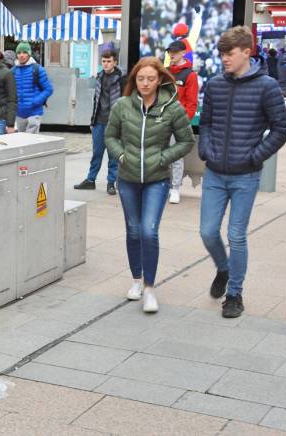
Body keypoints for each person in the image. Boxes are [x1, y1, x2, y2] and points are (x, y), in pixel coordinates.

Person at [199, 26, 286, 318]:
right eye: (222, 54)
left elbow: (280, 129)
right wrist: (205, 150)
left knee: (236, 235)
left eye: (230, 53)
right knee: (208, 232)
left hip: (245, 176)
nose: (224, 58)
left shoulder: (267, 86)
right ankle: (223, 269)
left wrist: (254, 157)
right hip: (214, 173)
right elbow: (207, 123)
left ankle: (234, 294)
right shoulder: (214, 85)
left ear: (247, 52)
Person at [105, 57, 194, 313]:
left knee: (148, 231)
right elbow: (110, 136)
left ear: (160, 80)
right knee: (133, 230)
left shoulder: (172, 108)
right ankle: (136, 280)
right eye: (141, 79)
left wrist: (163, 158)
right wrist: (121, 155)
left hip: (157, 179)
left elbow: (186, 142)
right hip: (128, 178)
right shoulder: (122, 106)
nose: (145, 83)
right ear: (134, 80)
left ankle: (150, 289)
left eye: (151, 79)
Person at [75, 50, 125, 195]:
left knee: (113, 155)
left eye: (109, 61)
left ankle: (111, 182)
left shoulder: (121, 79)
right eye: (103, 61)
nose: (106, 64)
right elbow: (96, 100)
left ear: (115, 62)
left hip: (114, 123)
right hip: (99, 122)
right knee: (97, 153)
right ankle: (91, 180)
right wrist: (92, 120)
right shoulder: (99, 76)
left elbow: (125, 101)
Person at [166, 40, 199, 204]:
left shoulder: (190, 75)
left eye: (175, 51)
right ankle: (163, 186)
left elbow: (192, 103)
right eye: (170, 51)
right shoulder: (164, 71)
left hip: (178, 123)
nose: (172, 54)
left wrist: (182, 122)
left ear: (183, 52)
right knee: (161, 156)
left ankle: (175, 188)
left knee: (176, 157)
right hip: (161, 122)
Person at [11, 41, 53, 134]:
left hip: (34, 112)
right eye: (19, 53)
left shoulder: (37, 69)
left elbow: (49, 89)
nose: (21, 55)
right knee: (21, 141)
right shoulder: (13, 71)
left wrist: (37, 101)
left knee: (31, 142)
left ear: (29, 54)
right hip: (19, 113)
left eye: (24, 52)